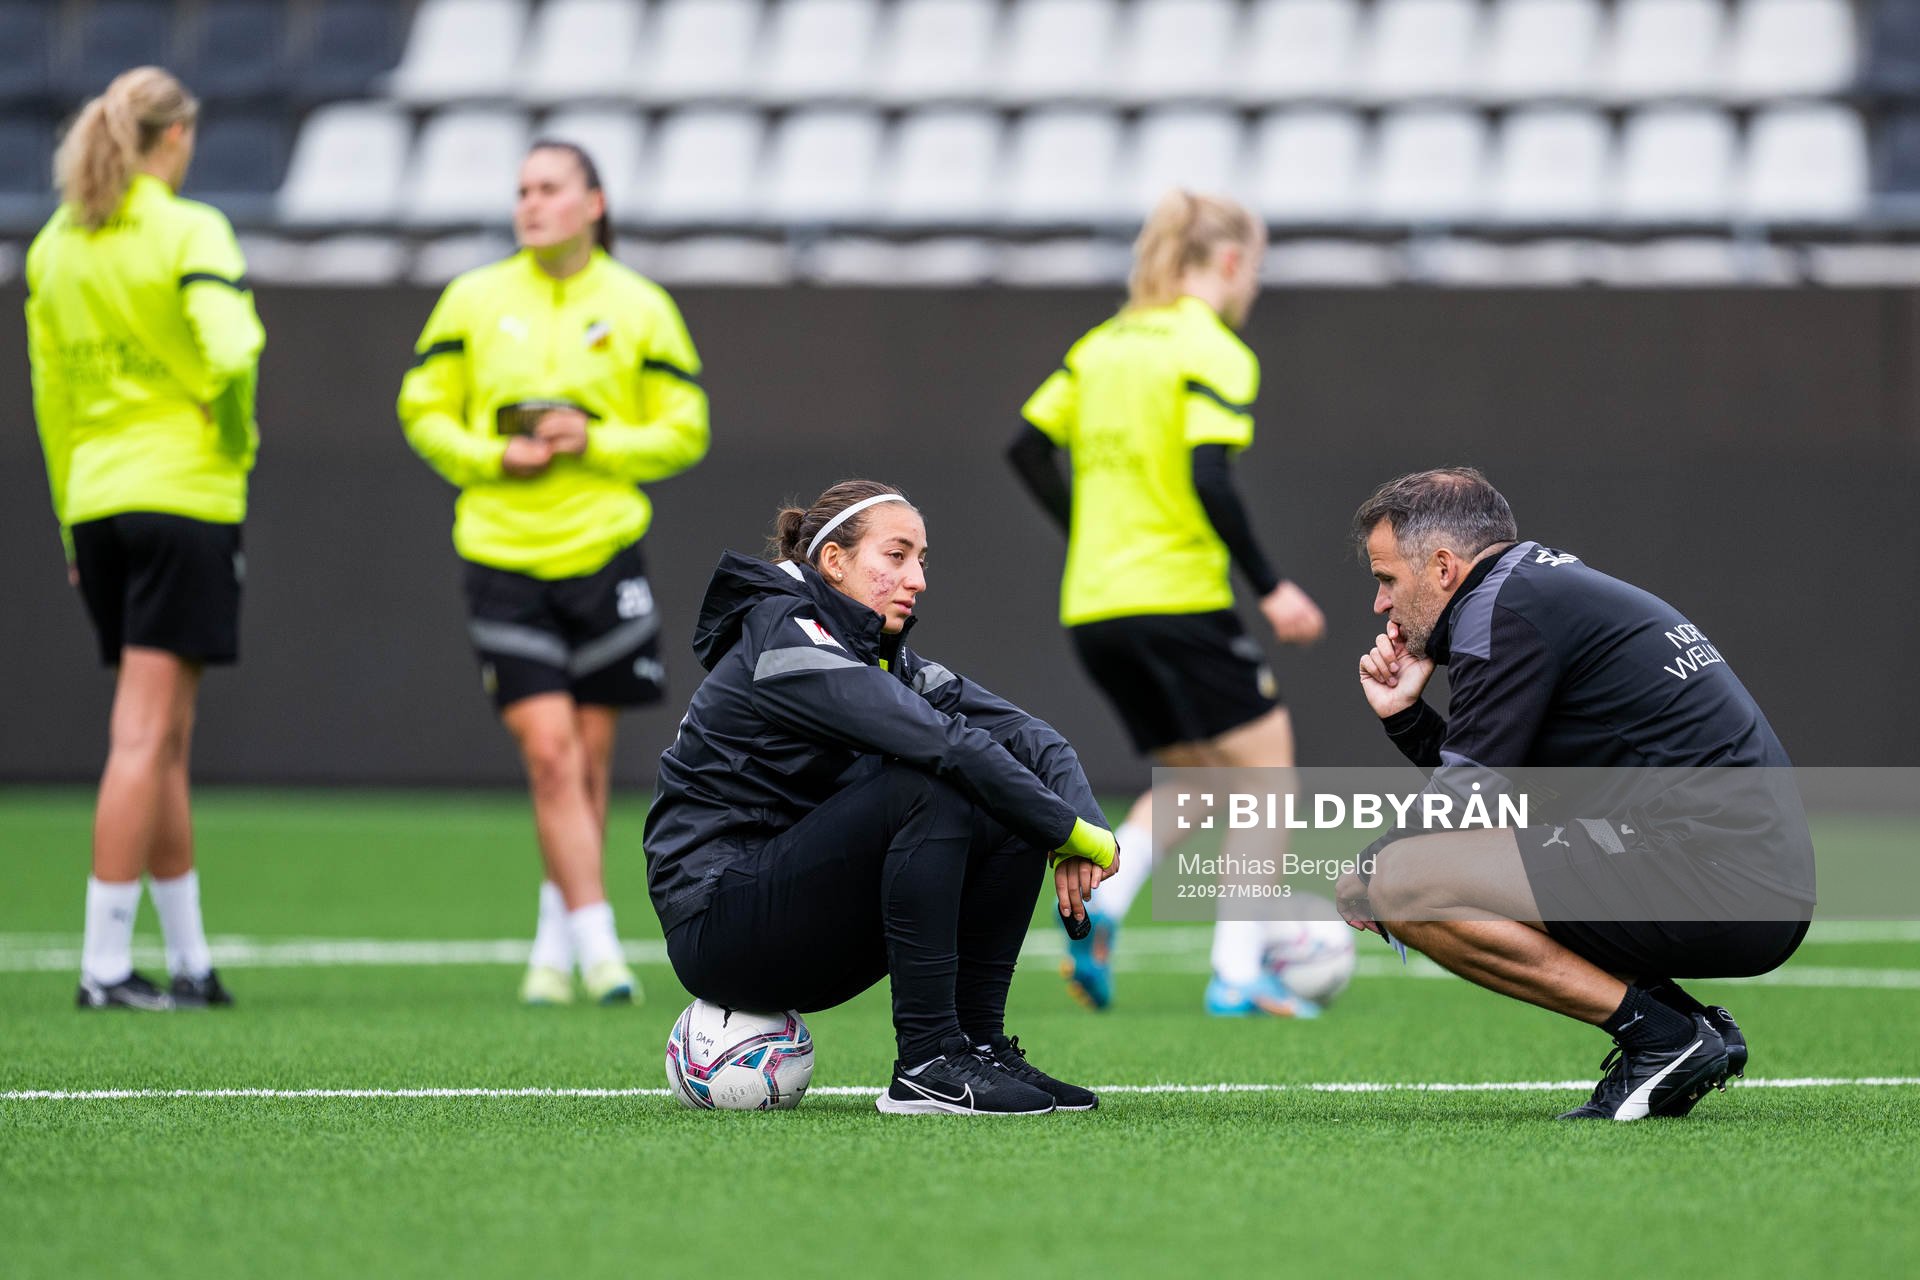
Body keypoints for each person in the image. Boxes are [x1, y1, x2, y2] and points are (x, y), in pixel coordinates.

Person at [1341, 467, 1815, 1121]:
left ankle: (1663, 1036)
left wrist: (1370, 868)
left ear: (1444, 567)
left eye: (1386, 579)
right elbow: (1518, 802)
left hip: (1723, 875)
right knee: (1416, 871)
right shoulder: (1534, 590)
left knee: (1400, 882)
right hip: (1742, 873)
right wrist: (1407, 718)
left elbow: (1466, 801)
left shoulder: (1503, 611)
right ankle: (1679, 1029)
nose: (1380, 604)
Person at [644, 481, 1120, 1115]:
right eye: (896, 556)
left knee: (1002, 805)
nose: (916, 578)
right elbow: (943, 746)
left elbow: (1032, 737)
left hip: (796, 919)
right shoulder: (784, 639)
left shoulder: (875, 654)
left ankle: (975, 1049)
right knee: (931, 782)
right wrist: (1069, 834)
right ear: (834, 562)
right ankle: (927, 1063)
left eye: (921, 559)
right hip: (718, 928)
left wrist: (1080, 826)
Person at [397, 139, 709, 1006]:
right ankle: (602, 945)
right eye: (521, 188)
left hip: (604, 552)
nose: (530, 203)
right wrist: (492, 455)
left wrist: (596, 441)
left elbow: (686, 426)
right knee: (549, 754)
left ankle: (552, 935)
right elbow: (421, 410)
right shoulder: (472, 298)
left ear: (593, 204)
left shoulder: (640, 306)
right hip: (501, 553)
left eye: (549, 188)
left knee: (589, 758)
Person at [1007, 188, 1326, 1017]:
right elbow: (1210, 475)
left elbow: (1027, 447)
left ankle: (1102, 907)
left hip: (1096, 606)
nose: (1252, 284)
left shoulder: (1103, 345)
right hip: (1178, 598)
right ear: (1227, 262)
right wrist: (1273, 587)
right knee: (1267, 779)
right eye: (1253, 266)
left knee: (1193, 779)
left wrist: (1090, 530)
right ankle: (1235, 972)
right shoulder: (1208, 347)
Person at [27, 68, 262, 1012]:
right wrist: (235, 434)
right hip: (183, 495)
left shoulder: (54, 244)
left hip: (96, 502)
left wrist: (66, 518)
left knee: (165, 736)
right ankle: (104, 968)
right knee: (143, 734)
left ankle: (191, 961)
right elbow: (234, 349)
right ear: (174, 139)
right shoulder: (188, 226)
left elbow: (53, 400)